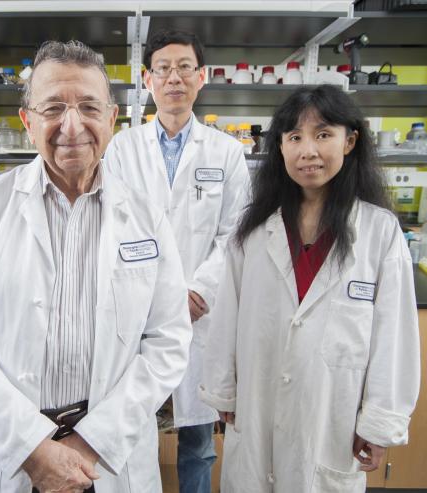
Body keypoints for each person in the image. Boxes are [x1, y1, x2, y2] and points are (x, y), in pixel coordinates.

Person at [0, 40, 192, 493]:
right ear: (28, 122)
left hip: (108, 457)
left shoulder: (146, 215)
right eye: (53, 108)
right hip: (15, 456)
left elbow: (168, 341)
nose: (72, 125)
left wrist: (91, 444)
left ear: (111, 119)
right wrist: (34, 447)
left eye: (89, 107)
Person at [199, 84, 421, 492]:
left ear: (350, 141)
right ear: (280, 147)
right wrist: (223, 390)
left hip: (331, 419)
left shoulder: (378, 232)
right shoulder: (253, 231)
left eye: (323, 135)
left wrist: (379, 423)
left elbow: (395, 338)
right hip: (257, 407)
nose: (308, 151)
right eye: (294, 137)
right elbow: (226, 316)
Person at [104, 29, 250, 493]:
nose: (174, 78)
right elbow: (112, 225)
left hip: (199, 312)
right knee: (132, 427)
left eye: (184, 67)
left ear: (201, 77)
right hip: (137, 309)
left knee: (198, 441)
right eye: (163, 69)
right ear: (147, 80)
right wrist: (157, 295)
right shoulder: (123, 149)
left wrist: (197, 291)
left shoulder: (226, 152)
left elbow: (235, 232)